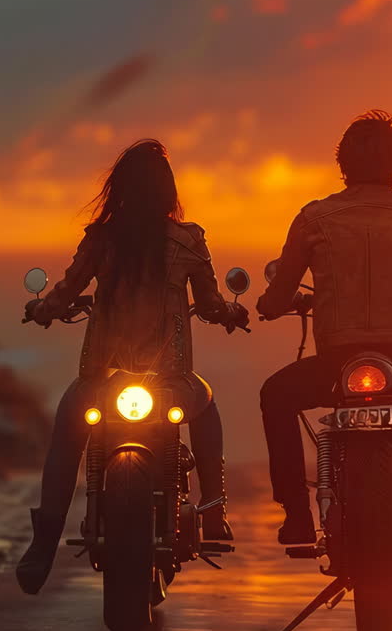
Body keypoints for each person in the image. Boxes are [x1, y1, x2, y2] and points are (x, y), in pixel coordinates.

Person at [15, 139, 248, 595]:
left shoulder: (101, 239)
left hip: (102, 379)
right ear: (168, 191)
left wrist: (42, 309)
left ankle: (43, 543)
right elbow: (210, 301)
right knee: (207, 406)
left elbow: (65, 292)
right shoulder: (188, 239)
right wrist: (231, 315)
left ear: (118, 189)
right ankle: (215, 512)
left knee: (67, 430)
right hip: (171, 381)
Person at [257, 110, 392, 545]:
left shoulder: (313, 218)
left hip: (337, 363)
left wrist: (268, 306)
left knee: (276, 395)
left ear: (342, 164)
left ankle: (298, 518)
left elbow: (277, 299)